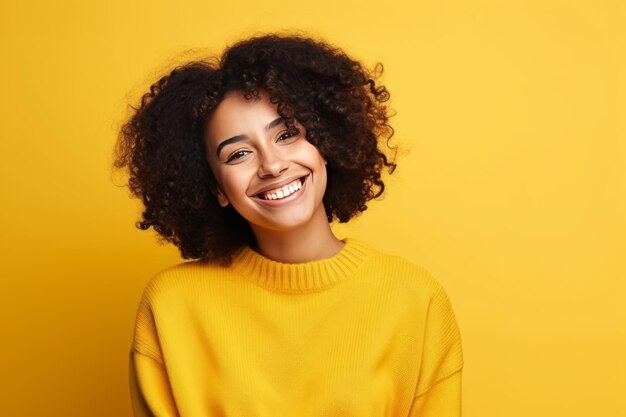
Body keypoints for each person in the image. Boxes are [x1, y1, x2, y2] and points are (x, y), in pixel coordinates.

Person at [114, 33, 464, 417]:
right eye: (239, 154)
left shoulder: (414, 298)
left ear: (324, 144)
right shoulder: (172, 306)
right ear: (216, 188)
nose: (273, 165)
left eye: (286, 135)